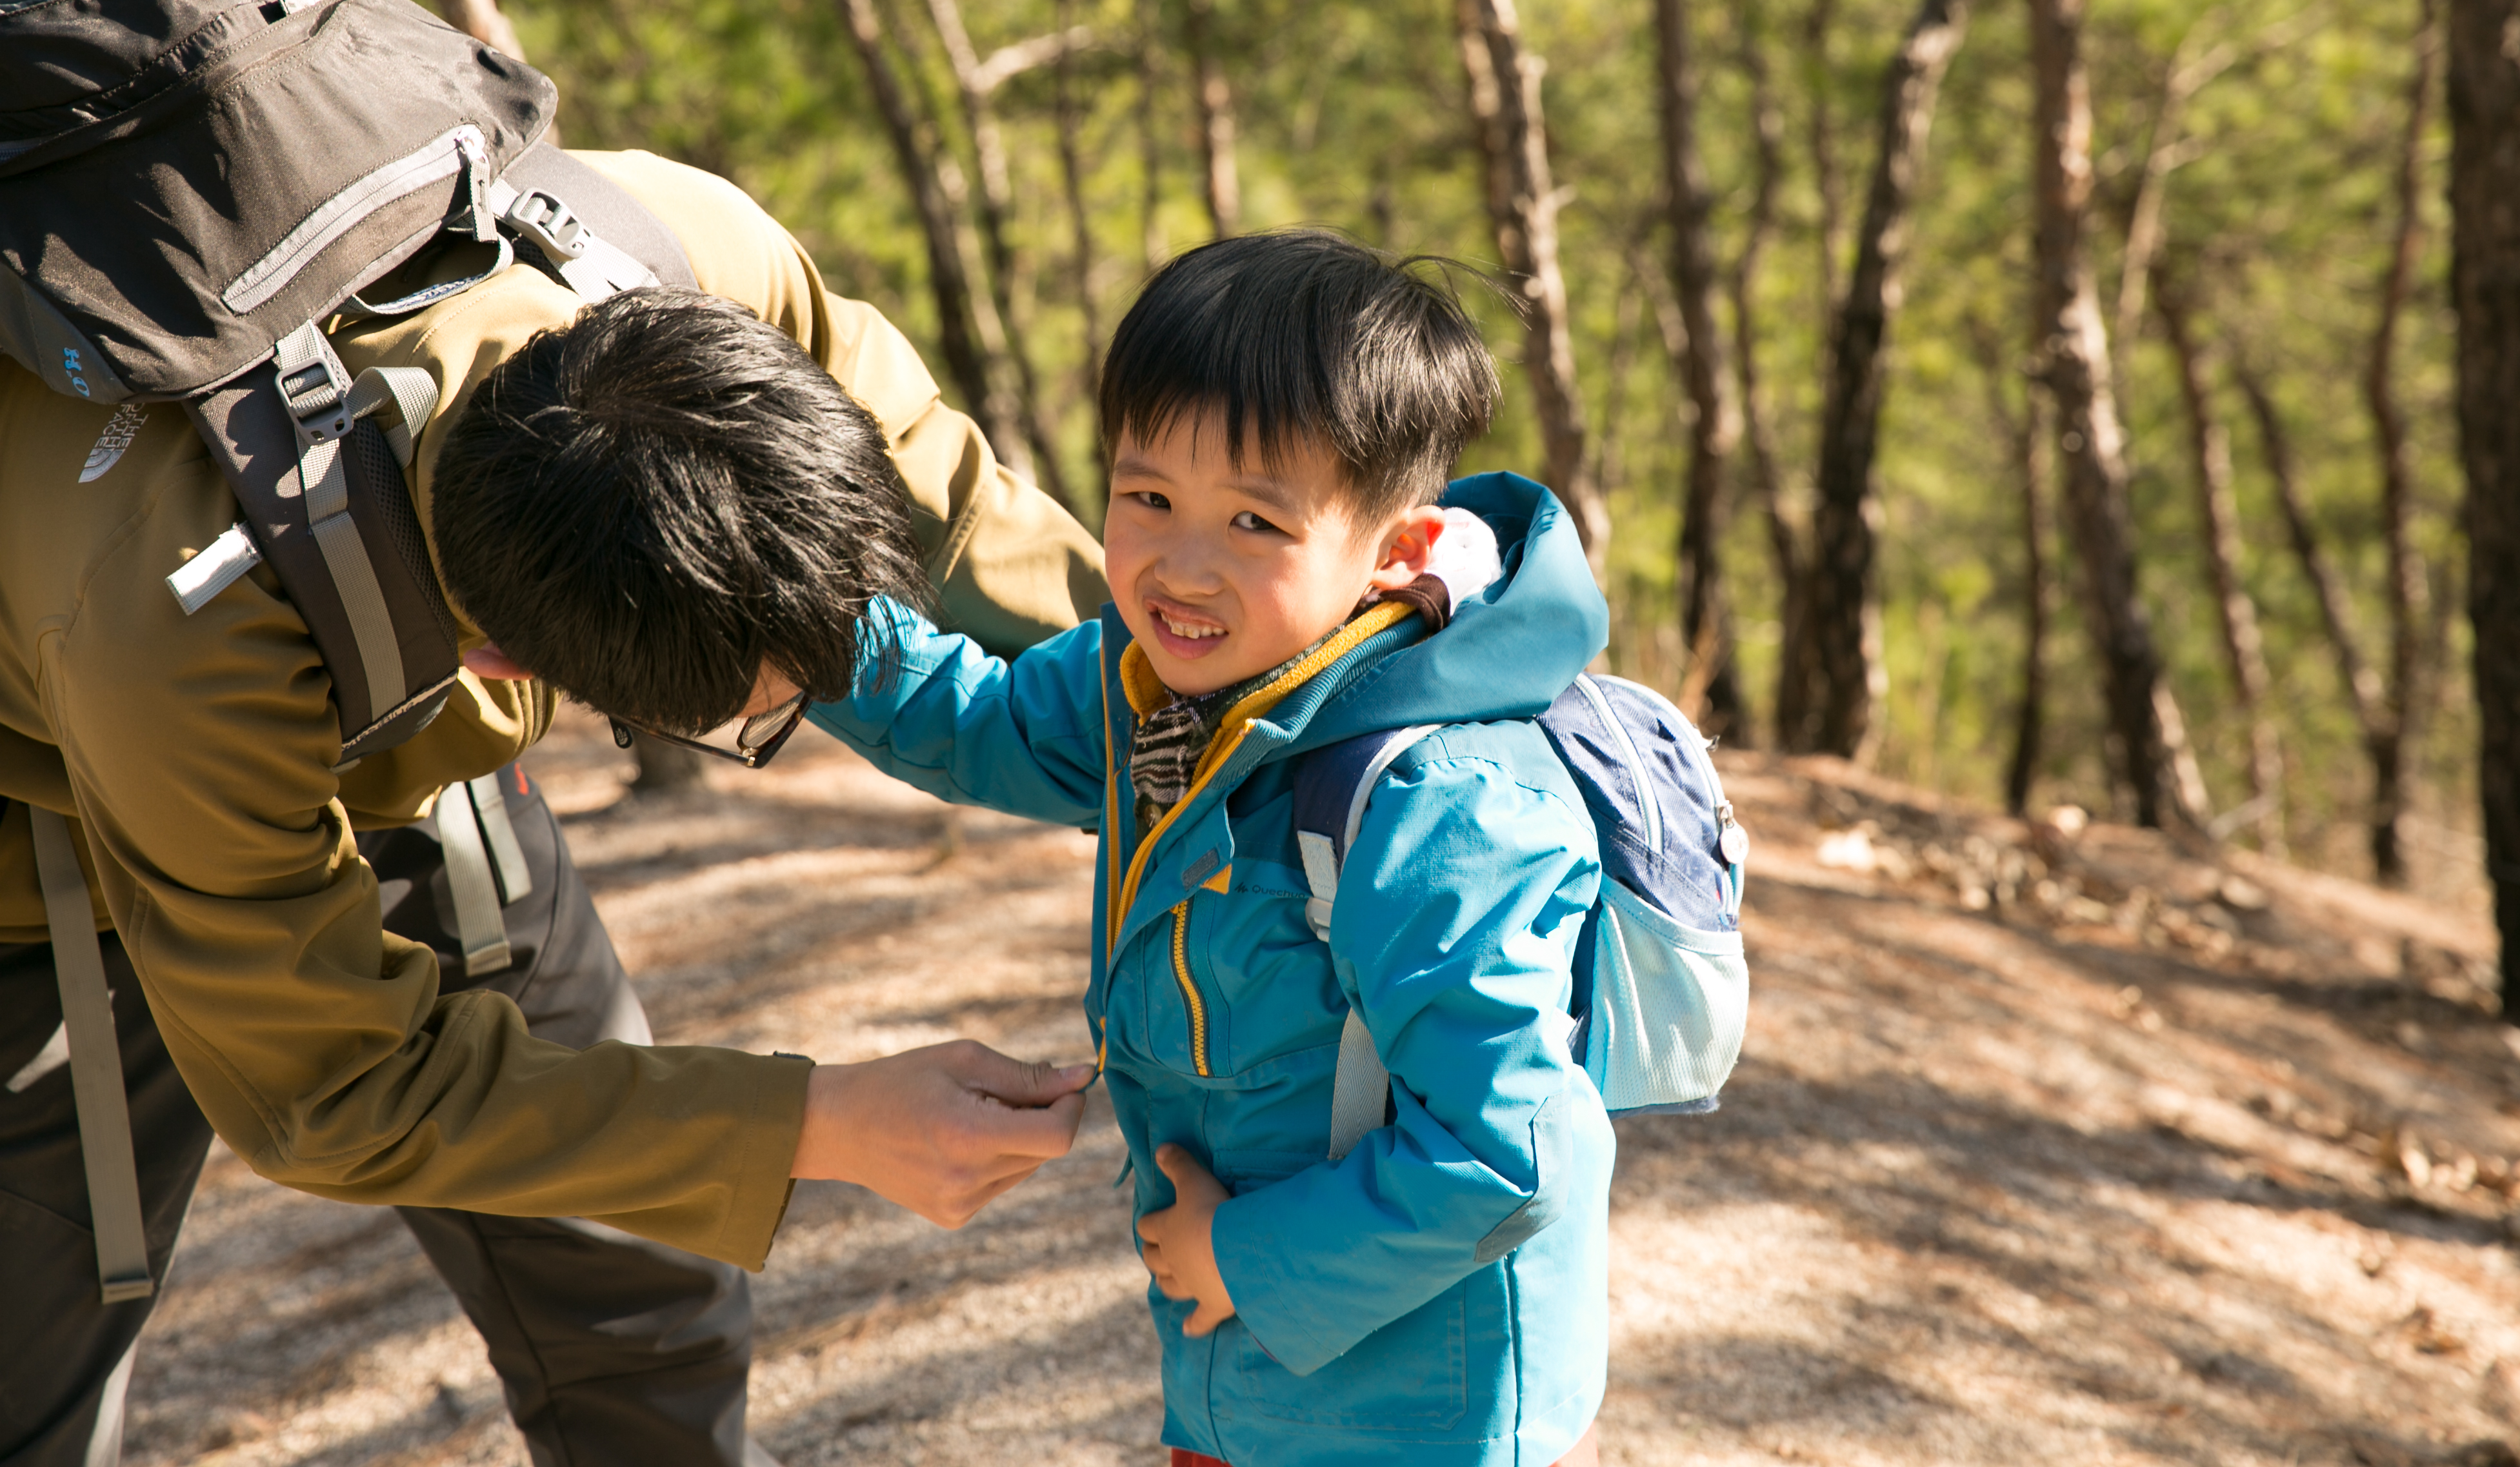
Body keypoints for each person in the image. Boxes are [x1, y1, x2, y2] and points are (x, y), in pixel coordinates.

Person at [0, 151, 1105, 1467]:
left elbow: (966, 518)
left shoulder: (680, 251)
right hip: (56, 830)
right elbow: (335, 1086)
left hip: (362, 703)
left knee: (643, 1297)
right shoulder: (182, 627)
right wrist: (817, 1123)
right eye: (758, 723)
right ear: (510, 670)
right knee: (32, 1383)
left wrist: (1255, 708)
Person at [810, 230, 1614, 1466]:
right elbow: (978, 723)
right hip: (1243, 1376)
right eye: (1148, 500)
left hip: (1418, 1412)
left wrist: (1243, 1259)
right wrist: (794, 613)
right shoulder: (1157, 686)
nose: (1181, 568)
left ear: (1395, 553)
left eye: (1254, 521)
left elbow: (1509, 1150)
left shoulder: (1437, 808)